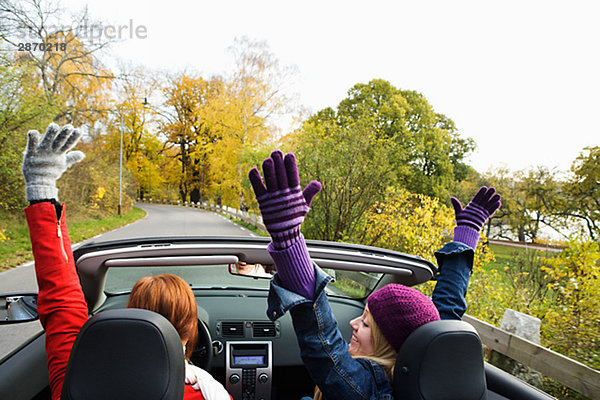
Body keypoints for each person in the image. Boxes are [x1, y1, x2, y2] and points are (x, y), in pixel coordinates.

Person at [249, 150, 501, 400]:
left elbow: (322, 342)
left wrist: (288, 239)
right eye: (362, 316)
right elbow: (447, 309)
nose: (353, 323)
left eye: (367, 323)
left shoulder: (366, 392)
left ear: (390, 345)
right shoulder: (420, 365)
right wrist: (467, 234)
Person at [21, 123, 231, 400]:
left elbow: (61, 300)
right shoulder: (205, 395)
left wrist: (41, 187)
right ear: (190, 332)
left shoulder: (77, 381)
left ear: (131, 316)